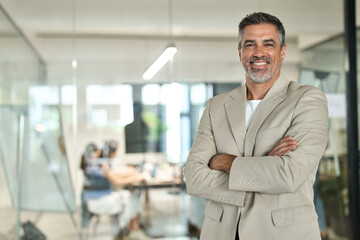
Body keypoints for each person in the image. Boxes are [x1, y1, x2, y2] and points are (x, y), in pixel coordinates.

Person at [184, 12, 329, 240]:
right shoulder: (216, 106)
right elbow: (193, 178)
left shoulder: (307, 100)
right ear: (240, 52)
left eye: (268, 44)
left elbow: (288, 175)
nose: (258, 53)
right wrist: (265, 165)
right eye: (250, 44)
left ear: (282, 51)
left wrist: (223, 162)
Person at [86, 140, 150, 240]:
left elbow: (114, 174)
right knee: (130, 198)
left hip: (97, 198)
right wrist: (137, 177)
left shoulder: (99, 163)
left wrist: (130, 173)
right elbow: (117, 181)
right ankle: (131, 230)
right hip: (98, 202)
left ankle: (132, 229)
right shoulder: (102, 164)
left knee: (130, 197)